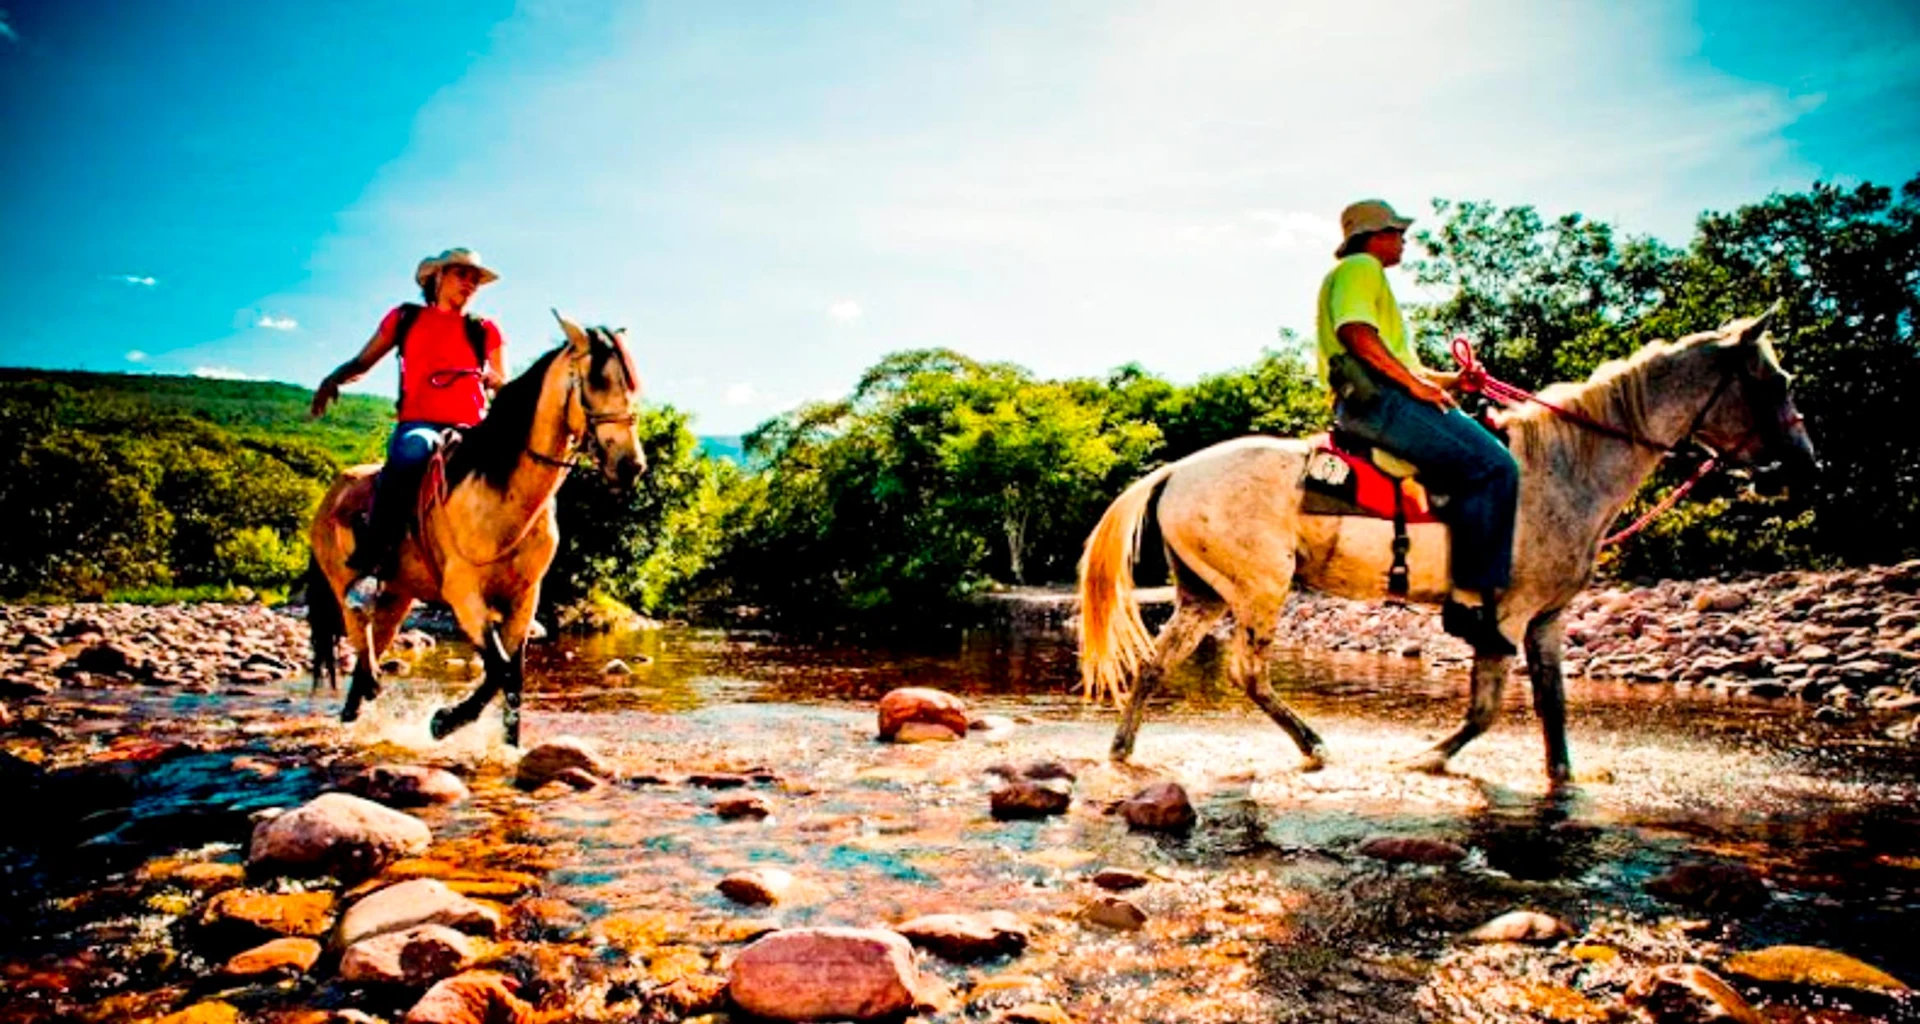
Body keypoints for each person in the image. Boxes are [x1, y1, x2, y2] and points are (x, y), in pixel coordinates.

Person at [1314, 200, 1519, 656]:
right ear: (1373, 236)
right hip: (1382, 402)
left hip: (1379, 397)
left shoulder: (1358, 275)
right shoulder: (1362, 269)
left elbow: (1402, 362)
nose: (1404, 240)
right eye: (1397, 232)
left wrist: (1451, 382)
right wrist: (1416, 388)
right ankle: (1468, 603)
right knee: (1497, 466)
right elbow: (1356, 334)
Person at [310, 248, 507, 600]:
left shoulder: (484, 330)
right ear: (437, 277)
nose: (471, 284)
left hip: (474, 428)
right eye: (462, 274)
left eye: (475, 278)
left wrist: (494, 379)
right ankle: (371, 566)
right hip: (422, 423)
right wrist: (333, 379)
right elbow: (363, 361)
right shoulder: (406, 318)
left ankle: (515, 577)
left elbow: (501, 382)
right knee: (412, 450)